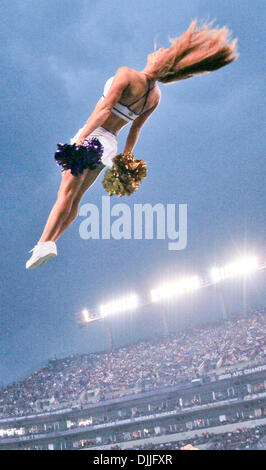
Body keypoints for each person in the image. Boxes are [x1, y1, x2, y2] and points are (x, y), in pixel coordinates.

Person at [26, 19, 238, 269]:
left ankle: (43, 243)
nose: (158, 50)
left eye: (162, 52)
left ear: (162, 64)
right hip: (108, 146)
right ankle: (52, 241)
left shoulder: (127, 74)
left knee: (65, 194)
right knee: (77, 197)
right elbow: (134, 131)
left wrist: (83, 136)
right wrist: (125, 161)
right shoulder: (155, 96)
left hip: (94, 136)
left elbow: (105, 109)